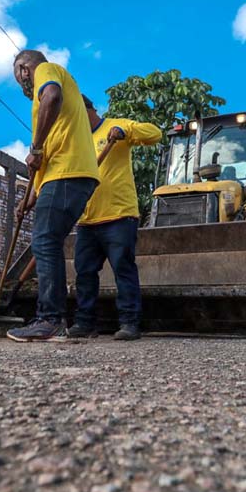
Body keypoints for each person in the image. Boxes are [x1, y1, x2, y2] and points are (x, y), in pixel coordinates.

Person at [7, 50, 99, 342]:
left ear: (24, 69)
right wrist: (29, 199)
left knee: (44, 239)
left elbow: (51, 97)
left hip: (68, 173)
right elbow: (43, 163)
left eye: (19, 76)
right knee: (48, 239)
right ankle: (53, 318)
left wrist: (34, 147)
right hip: (64, 176)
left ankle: (50, 319)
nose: (23, 83)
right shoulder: (53, 121)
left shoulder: (45, 70)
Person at [68, 95, 161, 341]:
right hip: (87, 220)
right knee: (84, 273)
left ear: (88, 109)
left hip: (119, 215)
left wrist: (124, 131)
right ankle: (85, 323)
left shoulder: (116, 126)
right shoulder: (77, 141)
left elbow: (155, 134)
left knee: (123, 269)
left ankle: (129, 323)